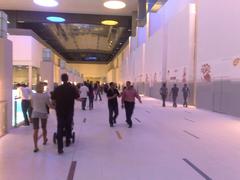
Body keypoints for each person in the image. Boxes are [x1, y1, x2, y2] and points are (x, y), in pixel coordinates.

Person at [51, 74, 79, 154]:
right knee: (68, 125)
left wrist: (55, 105)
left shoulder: (58, 89)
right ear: (67, 79)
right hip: (69, 110)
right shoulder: (71, 88)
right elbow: (77, 96)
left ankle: (60, 148)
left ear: (61, 79)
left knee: (60, 127)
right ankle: (67, 141)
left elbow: (53, 100)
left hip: (59, 111)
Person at [31, 82, 51, 153]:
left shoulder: (33, 95)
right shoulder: (46, 95)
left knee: (35, 130)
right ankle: (44, 140)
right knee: (44, 128)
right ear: (42, 88)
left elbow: (32, 105)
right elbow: (49, 105)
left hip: (35, 113)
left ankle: (35, 147)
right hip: (43, 113)